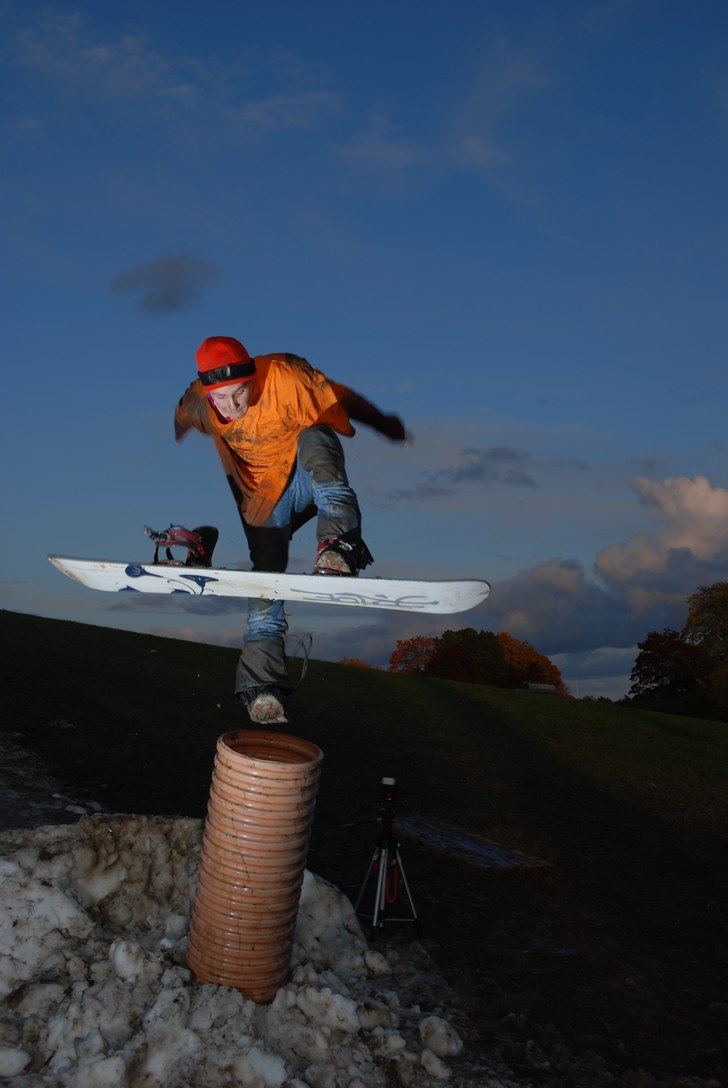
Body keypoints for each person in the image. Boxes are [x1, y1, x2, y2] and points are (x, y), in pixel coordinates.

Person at [175, 336, 407, 725]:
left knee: (315, 435)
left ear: (252, 379)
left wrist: (383, 423)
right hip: (264, 498)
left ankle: (338, 545)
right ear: (208, 394)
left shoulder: (287, 375)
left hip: (306, 475)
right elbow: (181, 413)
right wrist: (179, 428)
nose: (233, 406)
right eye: (223, 399)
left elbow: (342, 397)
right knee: (266, 580)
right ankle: (262, 689)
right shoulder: (198, 401)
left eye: (240, 393)